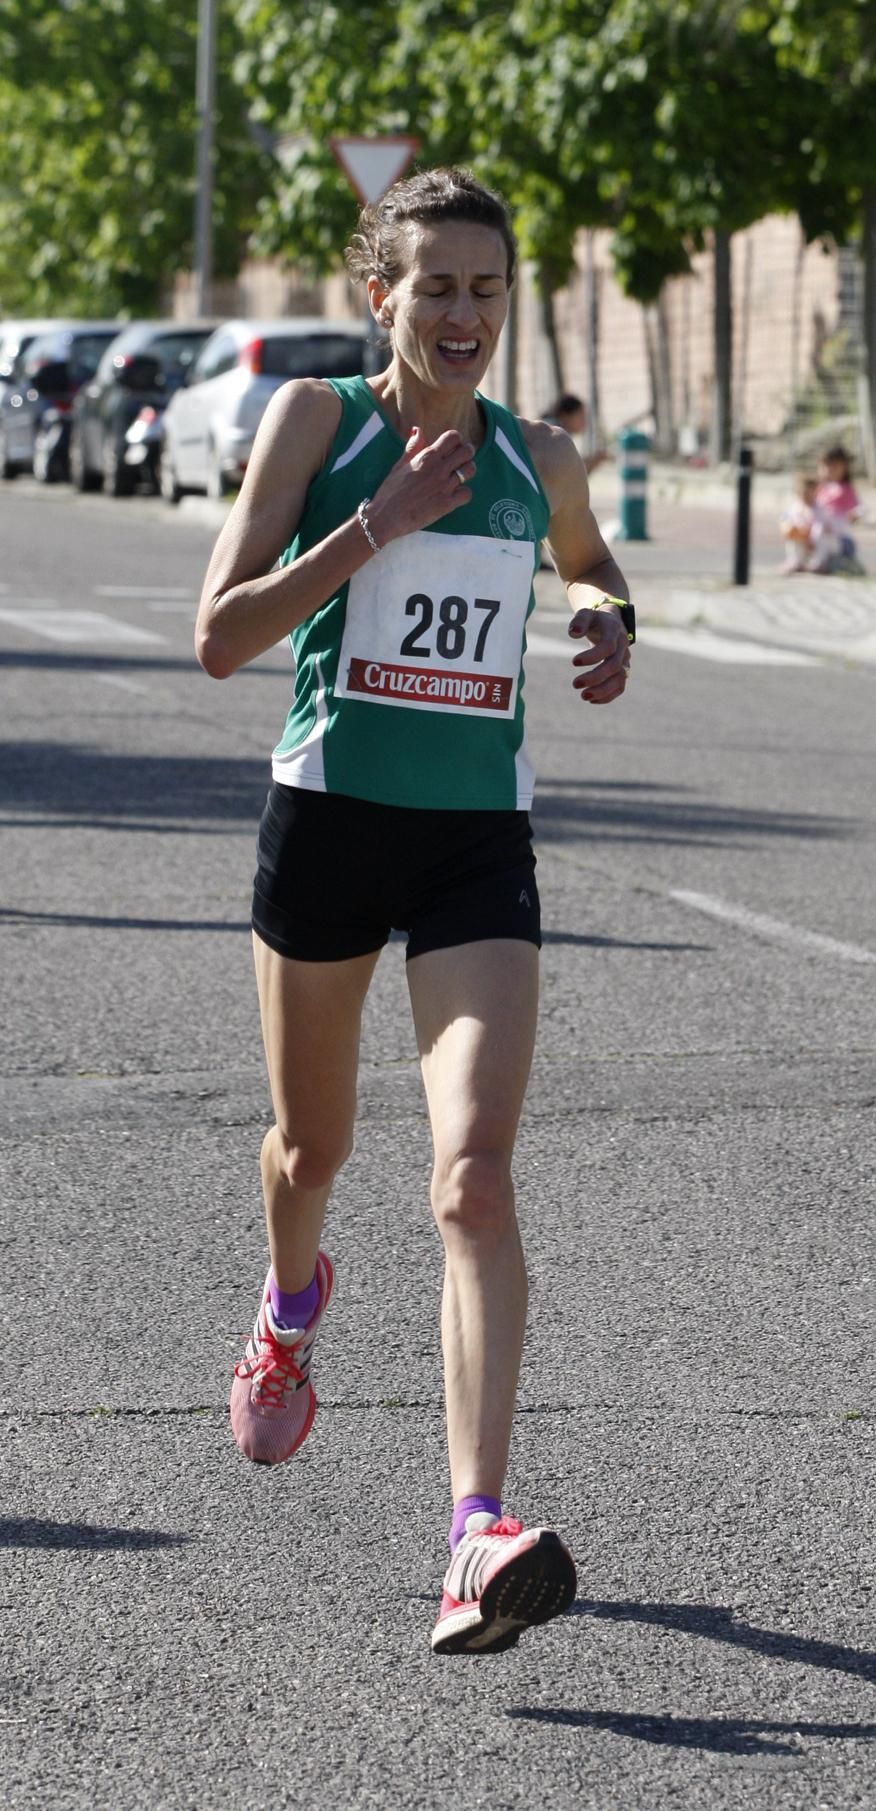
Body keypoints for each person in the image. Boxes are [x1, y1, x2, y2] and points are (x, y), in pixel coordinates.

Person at [195, 166, 634, 1657]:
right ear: (377, 292)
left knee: (475, 1177)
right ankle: (291, 1307)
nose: (463, 313)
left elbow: (591, 564)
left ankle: (475, 1529)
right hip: (325, 828)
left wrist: (603, 621)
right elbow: (215, 635)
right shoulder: (317, 423)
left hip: (471, 848)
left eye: (487, 289)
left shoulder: (540, 454)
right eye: (434, 285)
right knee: (314, 1146)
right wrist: (371, 527)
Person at [812, 444, 863, 573]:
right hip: (819, 531)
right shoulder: (819, 488)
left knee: (827, 541)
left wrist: (854, 515)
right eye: (826, 466)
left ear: (844, 468)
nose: (830, 470)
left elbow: (857, 508)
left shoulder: (845, 489)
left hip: (838, 535)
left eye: (834, 466)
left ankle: (825, 562)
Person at [779, 472, 822, 574]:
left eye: (809, 493)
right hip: (800, 538)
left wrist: (812, 539)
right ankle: (795, 562)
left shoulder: (819, 509)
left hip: (814, 541)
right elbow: (785, 519)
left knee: (823, 539)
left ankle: (817, 563)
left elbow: (819, 526)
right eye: (803, 493)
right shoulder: (795, 508)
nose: (806, 496)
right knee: (793, 540)